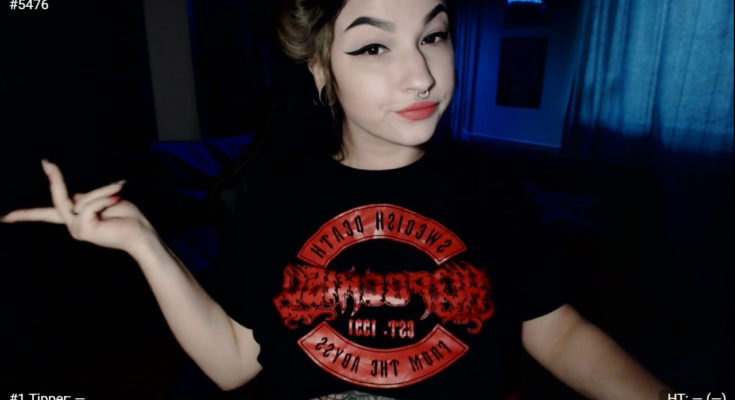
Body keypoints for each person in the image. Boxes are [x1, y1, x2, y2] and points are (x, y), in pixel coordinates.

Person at [2, 0, 669, 398]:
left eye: (433, 35)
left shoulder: (489, 188)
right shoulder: (273, 194)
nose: (420, 74)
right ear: (322, 69)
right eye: (374, 46)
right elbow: (234, 361)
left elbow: (558, 331)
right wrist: (145, 243)